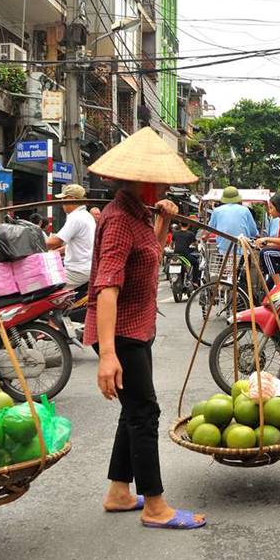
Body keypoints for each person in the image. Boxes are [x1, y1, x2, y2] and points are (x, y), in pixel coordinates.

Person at [85, 126, 206, 529]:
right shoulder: (120, 220)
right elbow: (107, 287)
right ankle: (155, 506)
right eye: (157, 182)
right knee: (145, 412)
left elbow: (148, 258)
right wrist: (107, 355)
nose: (161, 189)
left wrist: (165, 224)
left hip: (138, 328)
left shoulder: (138, 216)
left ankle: (120, 491)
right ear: (141, 182)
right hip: (122, 334)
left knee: (132, 410)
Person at [46, 184, 96, 289]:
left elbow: (56, 241)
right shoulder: (87, 216)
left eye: (64, 199)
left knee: (46, 287)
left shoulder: (76, 217)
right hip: (88, 268)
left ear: (72, 199)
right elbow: (78, 244)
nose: (62, 203)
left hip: (77, 271)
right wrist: (55, 252)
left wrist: (32, 246)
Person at [207, 185, 258, 257]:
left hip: (223, 251)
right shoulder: (245, 210)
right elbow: (253, 232)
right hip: (242, 250)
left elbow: (210, 229)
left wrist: (204, 237)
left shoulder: (217, 211)